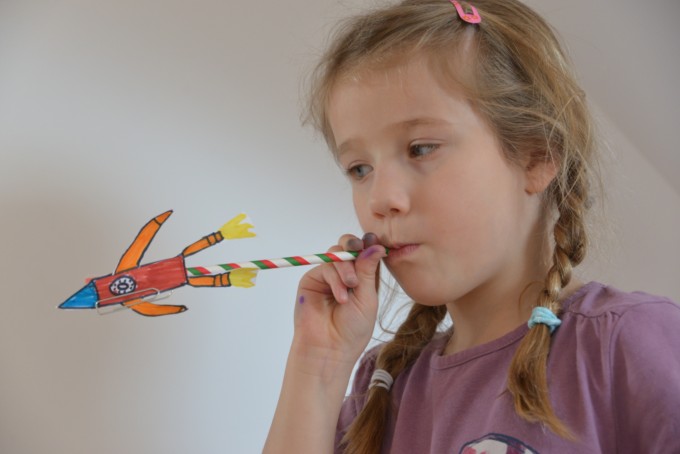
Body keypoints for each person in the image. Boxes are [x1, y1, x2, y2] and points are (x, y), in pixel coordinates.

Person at [264, 1, 680, 453]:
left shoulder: (626, 344)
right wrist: (317, 365)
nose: (380, 199)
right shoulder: (378, 388)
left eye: (421, 149)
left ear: (536, 156)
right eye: (360, 169)